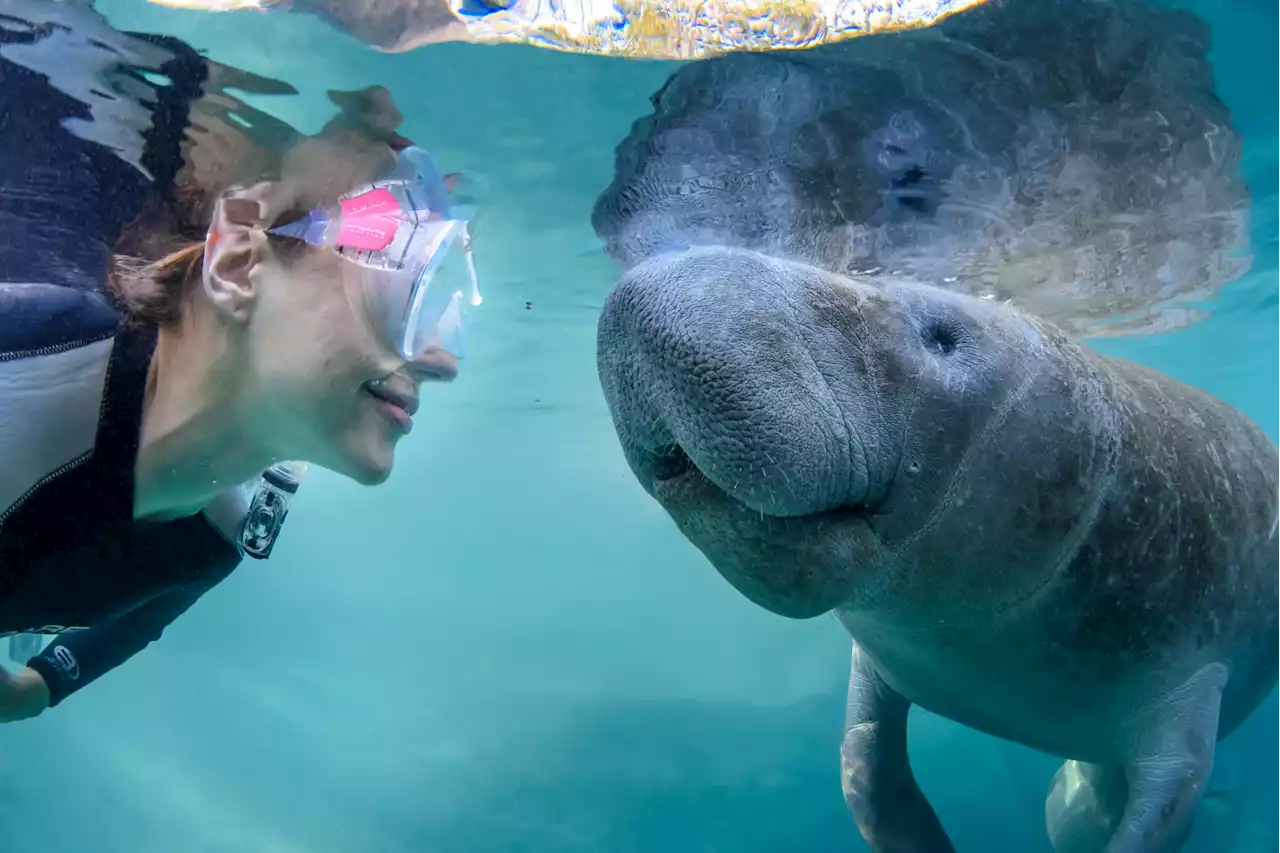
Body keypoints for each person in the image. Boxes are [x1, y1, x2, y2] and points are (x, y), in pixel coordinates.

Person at [0, 4, 480, 721]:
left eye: (448, 303)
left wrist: (40, 687)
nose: (440, 357)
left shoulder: (220, 528)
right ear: (236, 260)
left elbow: (145, 605)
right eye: (403, 281)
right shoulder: (24, 366)